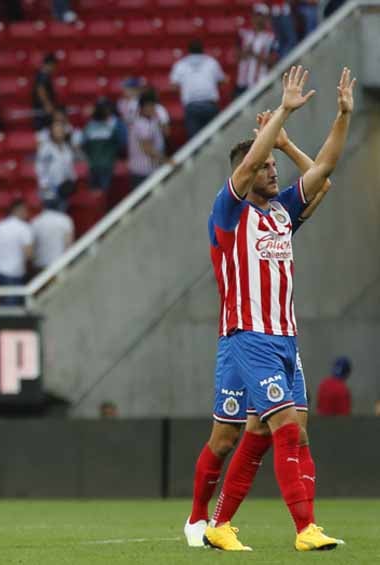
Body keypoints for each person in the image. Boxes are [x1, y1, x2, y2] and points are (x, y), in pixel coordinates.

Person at [198, 66, 352, 552]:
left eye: (273, 165)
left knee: (284, 432)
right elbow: (246, 170)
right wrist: (282, 112)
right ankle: (305, 529)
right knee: (280, 426)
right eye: (266, 165)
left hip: (285, 337)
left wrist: (341, 117)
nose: (272, 170)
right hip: (250, 335)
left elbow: (322, 174)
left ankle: (220, 524)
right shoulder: (229, 213)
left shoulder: (280, 213)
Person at [169, 40, 226, 139]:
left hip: (192, 106)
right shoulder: (211, 62)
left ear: (189, 51)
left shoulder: (181, 64)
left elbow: (173, 86)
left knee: (195, 142)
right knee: (213, 140)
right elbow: (222, 81)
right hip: (210, 105)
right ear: (202, 50)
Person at [0, 200, 33, 303]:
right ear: (18, 210)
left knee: (2, 303)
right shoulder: (25, 228)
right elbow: (29, 254)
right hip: (15, 272)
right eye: (25, 210)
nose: (27, 213)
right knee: (12, 309)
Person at [127, 90, 167, 188]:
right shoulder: (141, 124)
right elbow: (147, 149)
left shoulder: (152, 121)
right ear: (144, 107)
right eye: (152, 106)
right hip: (143, 172)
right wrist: (168, 161)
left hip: (150, 169)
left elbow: (165, 133)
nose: (154, 109)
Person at [236, 4, 277, 98]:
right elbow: (237, 56)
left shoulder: (270, 38)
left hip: (260, 82)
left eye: (260, 16)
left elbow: (272, 61)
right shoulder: (244, 35)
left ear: (265, 18)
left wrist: (254, 54)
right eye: (255, 15)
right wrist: (246, 52)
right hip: (243, 82)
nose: (257, 18)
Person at [34, 120, 77, 206]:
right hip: (48, 188)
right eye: (56, 130)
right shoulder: (45, 148)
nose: (59, 133)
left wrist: (72, 180)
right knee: (50, 213)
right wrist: (44, 184)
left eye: (61, 130)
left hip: (63, 187)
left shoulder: (67, 149)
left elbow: (70, 168)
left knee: (61, 214)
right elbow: (40, 167)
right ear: (51, 132)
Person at [80, 100, 120, 191]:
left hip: (100, 165)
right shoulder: (110, 127)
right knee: (100, 195)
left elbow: (83, 145)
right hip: (99, 166)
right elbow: (119, 144)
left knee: (100, 195)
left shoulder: (90, 126)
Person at [30, 197, 74, 273]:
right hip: (59, 263)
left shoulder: (35, 221)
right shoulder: (65, 220)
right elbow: (68, 244)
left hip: (41, 263)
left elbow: (32, 246)